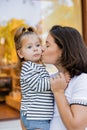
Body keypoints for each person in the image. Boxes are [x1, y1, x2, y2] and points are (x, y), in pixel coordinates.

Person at [42, 25, 87, 130]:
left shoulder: (82, 80)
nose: (42, 48)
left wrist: (58, 92)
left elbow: (76, 127)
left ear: (63, 51)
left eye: (47, 45)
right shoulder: (54, 79)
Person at [14, 26, 54, 130]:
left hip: (41, 115)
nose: (35, 49)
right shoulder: (28, 67)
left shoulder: (41, 65)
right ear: (20, 53)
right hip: (35, 117)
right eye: (29, 47)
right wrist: (57, 81)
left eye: (37, 45)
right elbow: (38, 85)